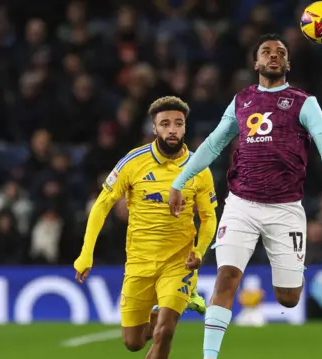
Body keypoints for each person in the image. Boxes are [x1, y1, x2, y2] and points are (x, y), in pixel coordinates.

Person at [167, 33, 322, 359]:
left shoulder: (303, 102)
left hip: (285, 209)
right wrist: (180, 181)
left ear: (288, 63)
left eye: (280, 52)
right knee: (226, 278)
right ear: (256, 63)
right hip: (242, 203)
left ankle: (288, 271)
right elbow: (214, 143)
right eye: (266, 52)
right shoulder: (242, 100)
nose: (274, 56)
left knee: (288, 298)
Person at [73, 96, 218, 359]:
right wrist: (86, 253)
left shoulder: (199, 168)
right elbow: (101, 205)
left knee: (164, 332)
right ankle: (163, 311)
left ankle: (174, 306)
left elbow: (209, 218)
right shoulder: (133, 162)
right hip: (140, 262)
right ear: (154, 128)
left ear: (185, 128)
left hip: (178, 263)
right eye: (165, 124)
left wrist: (199, 251)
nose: (172, 129)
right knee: (133, 343)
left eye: (178, 123)